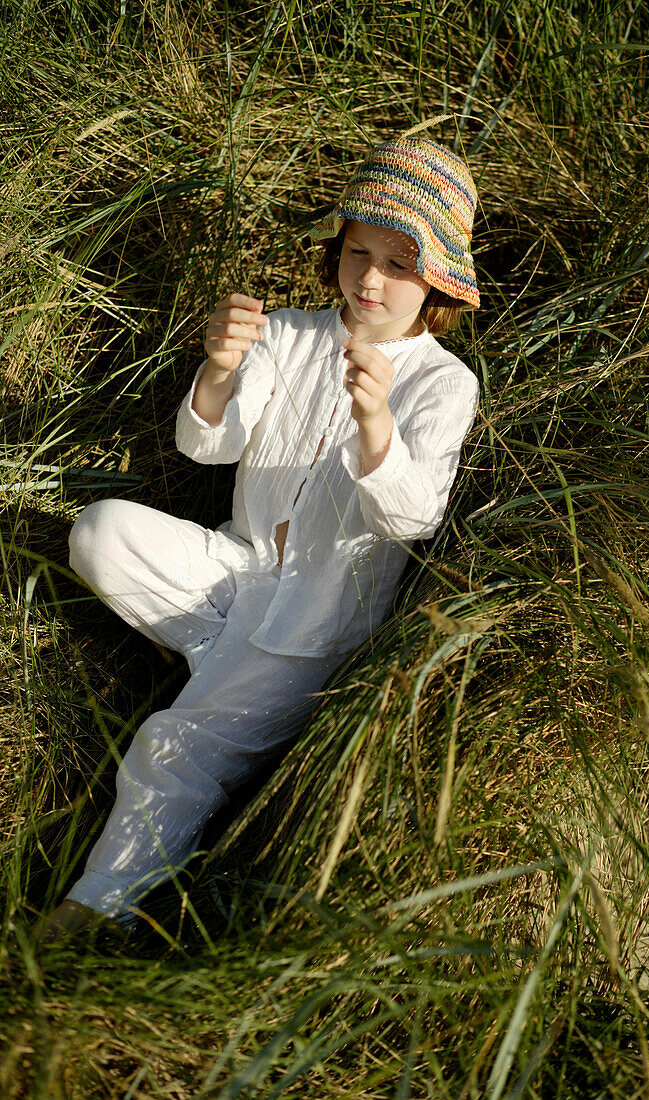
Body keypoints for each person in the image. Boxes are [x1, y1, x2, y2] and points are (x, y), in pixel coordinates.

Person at [40, 134, 481, 939]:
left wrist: (375, 420)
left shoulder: (443, 382)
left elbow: (413, 517)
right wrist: (216, 367)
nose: (370, 279)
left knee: (174, 743)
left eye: (397, 263)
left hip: (315, 629)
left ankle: (98, 910)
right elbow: (209, 445)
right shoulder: (287, 331)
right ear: (336, 251)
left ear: (438, 280)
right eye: (357, 252)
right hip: (231, 572)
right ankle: (224, 676)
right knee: (101, 531)